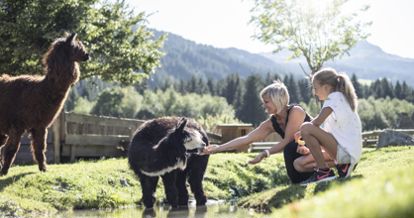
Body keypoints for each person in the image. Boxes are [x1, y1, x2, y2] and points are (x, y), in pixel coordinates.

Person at [203, 81, 329, 184]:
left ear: (277, 100)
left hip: (326, 148)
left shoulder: (296, 111)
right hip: (305, 155)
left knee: (290, 147)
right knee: (293, 155)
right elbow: (247, 139)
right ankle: (310, 178)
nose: (264, 106)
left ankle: (326, 170)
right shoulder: (271, 123)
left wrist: (264, 153)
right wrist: (218, 148)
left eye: (266, 102)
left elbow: (287, 141)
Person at [298, 67, 362, 185]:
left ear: (326, 87)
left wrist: (302, 131)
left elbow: (316, 122)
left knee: (306, 127)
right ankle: (342, 166)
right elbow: (324, 132)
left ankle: (324, 172)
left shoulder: (334, 98)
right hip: (349, 153)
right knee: (307, 129)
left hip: (347, 154)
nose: (314, 92)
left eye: (315, 88)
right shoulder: (340, 98)